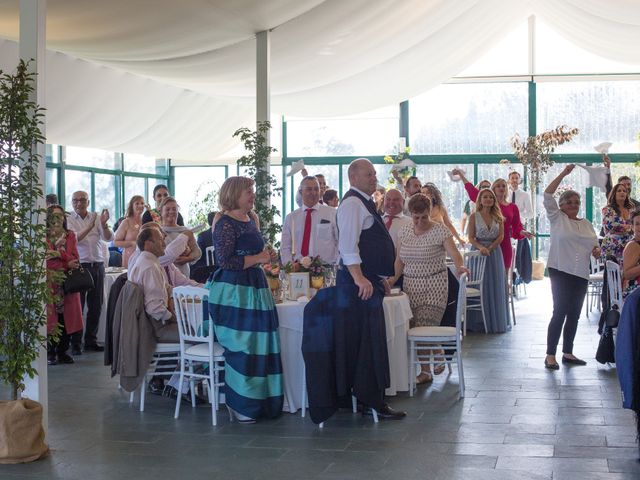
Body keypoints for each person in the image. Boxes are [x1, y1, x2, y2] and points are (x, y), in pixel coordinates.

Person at [206, 176, 283, 423]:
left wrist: (266, 256)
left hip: (256, 287)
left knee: (263, 343)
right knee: (244, 345)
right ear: (234, 193)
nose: (252, 195)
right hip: (234, 290)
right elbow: (225, 261)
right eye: (248, 191)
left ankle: (262, 401)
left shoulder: (253, 219)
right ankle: (241, 404)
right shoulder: (224, 221)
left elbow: (256, 253)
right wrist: (259, 258)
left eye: (252, 190)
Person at [336, 158, 406, 419]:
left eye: (374, 173)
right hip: (358, 285)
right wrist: (360, 278)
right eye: (368, 174)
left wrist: (377, 280)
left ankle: (370, 398)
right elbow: (347, 246)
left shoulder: (364, 202)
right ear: (353, 178)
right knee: (367, 342)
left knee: (371, 341)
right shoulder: (352, 204)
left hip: (368, 282)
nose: (374, 177)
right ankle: (370, 400)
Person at [388, 194, 467, 384]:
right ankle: (425, 371)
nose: (420, 221)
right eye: (416, 217)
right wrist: (391, 280)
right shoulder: (404, 231)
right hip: (411, 285)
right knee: (416, 326)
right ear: (411, 214)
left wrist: (460, 267)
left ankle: (438, 354)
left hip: (435, 284)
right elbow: (400, 260)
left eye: (424, 217)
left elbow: (455, 254)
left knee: (425, 322)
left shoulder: (440, 230)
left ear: (429, 213)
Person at [543, 165, 600, 370]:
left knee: (574, 313)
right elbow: (547, 193)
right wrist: (564, 174)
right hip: (560, 269)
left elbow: (593, 244)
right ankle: (550, 354)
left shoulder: (586, 223)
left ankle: (568, 352)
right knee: (559, 311)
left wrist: (596, 251)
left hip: (581, 272)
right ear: (562, 205)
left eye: (577, 202)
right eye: (569, 202)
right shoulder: (557, 218)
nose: (574, 205)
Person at [454, 170, 532, 270]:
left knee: (502, 276)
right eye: (498, 186)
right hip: (485, 245)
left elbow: (517, 226)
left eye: (503, 186)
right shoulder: (488, 202)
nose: (501, 188)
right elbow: (471, 190)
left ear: (507, 188)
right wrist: (461, 175)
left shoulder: (513, 207)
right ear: (493, 189)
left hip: (504, 243)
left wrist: (523, 232)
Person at [66, 190, 112, 354]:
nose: (79, 203)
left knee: (96, 305)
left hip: (97, 265)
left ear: (88, 201)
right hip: (80, 266)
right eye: (75, 200)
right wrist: (91, 225)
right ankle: (76, 343)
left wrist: (104, 224)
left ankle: (90, 341)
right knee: (78, 307)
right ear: (72, 202)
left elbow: (108, 238)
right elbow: (75, 238)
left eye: (82, 200)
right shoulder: (69, 218)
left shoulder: (97, 217)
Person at [467, 188, 511, 333]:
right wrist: (480, 248)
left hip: (494, 253)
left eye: (491, 197)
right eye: (485, 197)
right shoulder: (474, 216)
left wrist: (491, 248)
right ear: (480, 199)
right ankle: (478, 322)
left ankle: (495, 320)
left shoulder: (498, 216)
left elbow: (501, 236)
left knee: (495, 284)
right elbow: (471, 237)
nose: (488, 200)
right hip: (478, 254)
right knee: (481, 285)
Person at [45, 205, 83, 365]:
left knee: (66, 317)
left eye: (60, 216)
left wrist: (58, 253)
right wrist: (64, 260)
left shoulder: (70, 236)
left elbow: (75, 258)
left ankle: (63, 351)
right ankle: (50, 352)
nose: (58, 219)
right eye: (54, 216)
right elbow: (46, 262)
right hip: (50, 282)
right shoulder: (43, 237)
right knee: (51, 318)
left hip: (68, 282)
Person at [127, 228, 180, 343]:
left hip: (148, 324)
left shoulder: (146, 261)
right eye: (160, 240)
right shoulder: (150, 267)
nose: (165, 244)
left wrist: (174, 295)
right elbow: (155, 309)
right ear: (148, 244)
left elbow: (166, 287)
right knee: (201, 332)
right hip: (156, 328)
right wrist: (173, 318)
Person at [281, 176, 338, 265]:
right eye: (309, 189)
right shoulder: (291, 218)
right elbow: (285, 246)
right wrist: (289, 266)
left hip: (326, 267)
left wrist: (336, 263)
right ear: (301, 192)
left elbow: (340, 241)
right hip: (298, 268)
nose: (313, 193)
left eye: (316, 189)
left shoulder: (332, 213)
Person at [159, 196, 201, 278]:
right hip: (164, 275)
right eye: (167, 209)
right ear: (161, 211)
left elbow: (197, 252)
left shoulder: (185, 231)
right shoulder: (157, 231)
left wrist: (188, 258)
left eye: (174, 209)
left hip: (183, 274)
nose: (171, 212)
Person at [601, 183, 635, 265]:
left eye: (624, 191)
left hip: (629, 245)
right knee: (614, 275)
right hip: (612, 245)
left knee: (628, 273)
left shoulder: (631, 210)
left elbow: (637, 225)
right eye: (619, 191)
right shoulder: (607, 209)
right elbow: (610, 226)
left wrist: (627, 227)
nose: (622, 192)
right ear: (614, 194)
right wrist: (629, 228)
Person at [113, 195, 145, 267]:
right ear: (132, 206)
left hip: (144, 260)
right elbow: (115, 242)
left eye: (142, 203)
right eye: (137, 203)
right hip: (129, 260)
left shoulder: (146, 221)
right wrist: (131, 243)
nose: (140, 205)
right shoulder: (126, 222)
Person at [622, 211, 640, 297]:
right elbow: (627, 274)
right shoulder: (633, 245)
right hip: (634, 292)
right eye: (637, 224)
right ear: (632, 227)